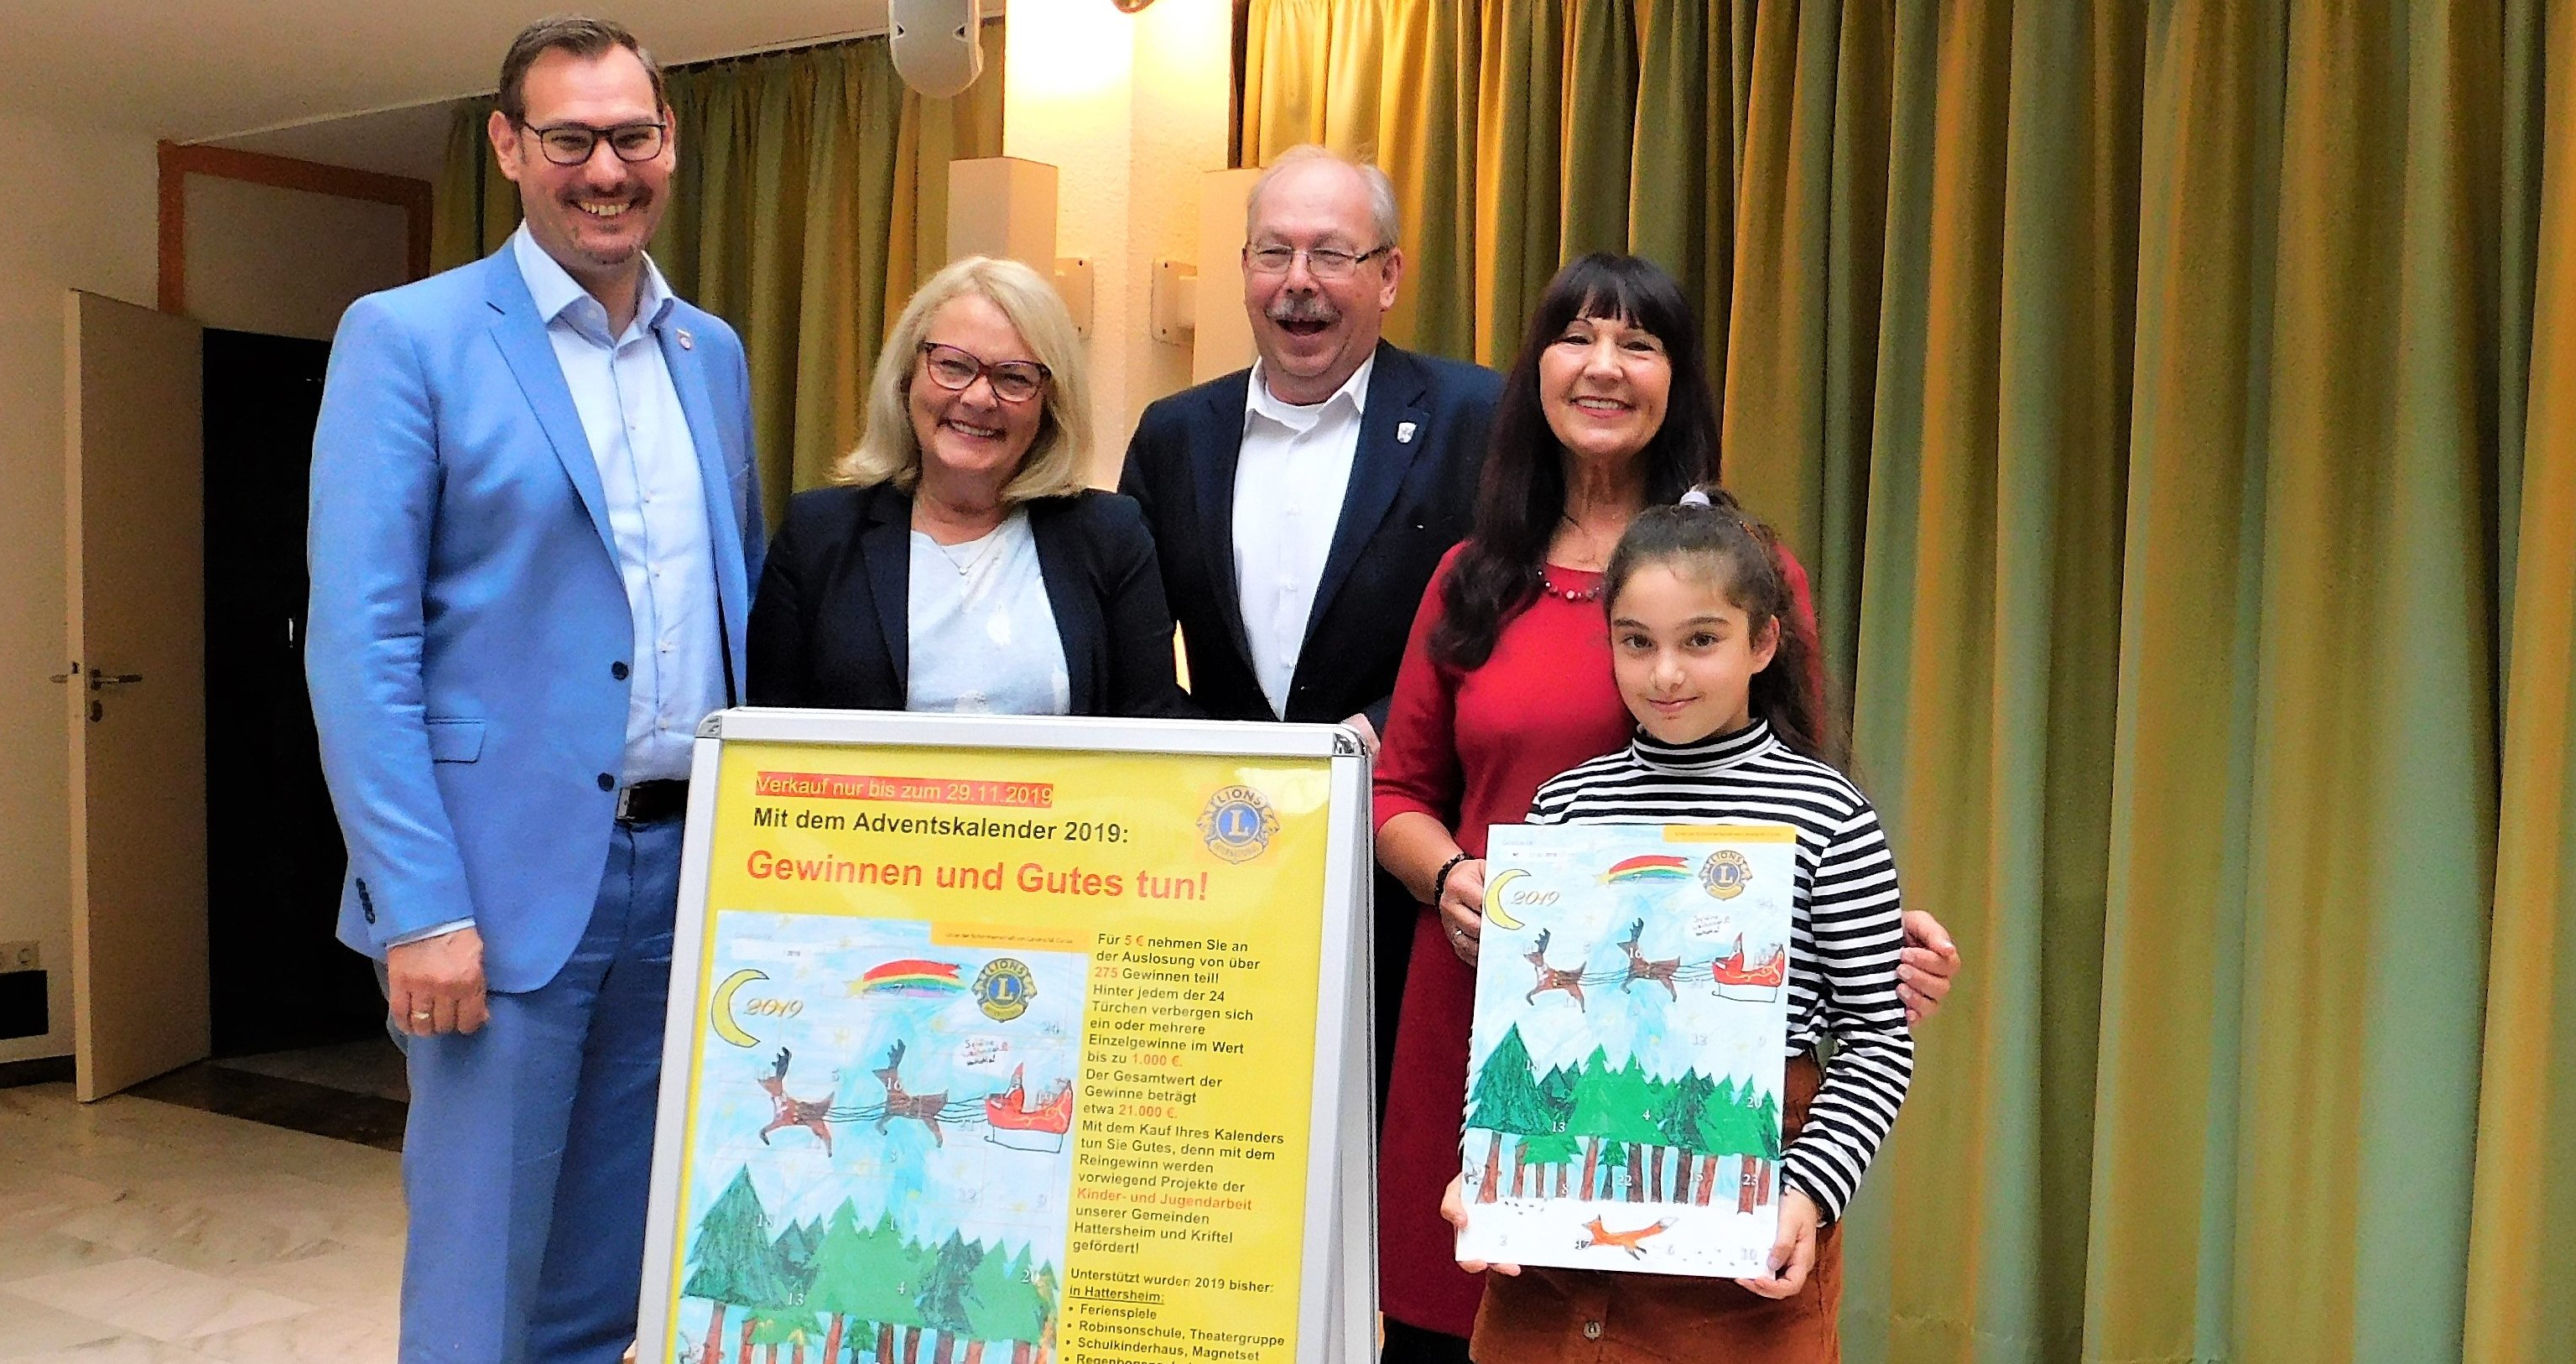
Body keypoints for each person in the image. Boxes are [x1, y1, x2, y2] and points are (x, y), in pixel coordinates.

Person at [1368, 252, 1957, 1362]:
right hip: (1509, 1031)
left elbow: (1800, 799)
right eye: (1577, 335)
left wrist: (1876, 944)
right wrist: (1454, 878)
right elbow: (1398, 786)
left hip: (1738, 1119)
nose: (1665, 671)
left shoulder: (1752, 570)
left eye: (1638, 342)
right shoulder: (1477, 581)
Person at [304, 16, 760, 1363]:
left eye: (632, 136)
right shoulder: (410, 337)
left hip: (686, 882)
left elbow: (727, 607)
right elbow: (360, 645)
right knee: (480, 1276)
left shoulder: (712, 354)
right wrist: (420, 904)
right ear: (510, 147)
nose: (604, 169)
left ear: (670, 146)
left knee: (614, 1270)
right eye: (570, 139)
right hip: (492, 899)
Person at [1439, 491, 1912, 1359]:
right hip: (1549, 1260)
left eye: (1700, 640)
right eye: (1636, 642)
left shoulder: (1826, 816)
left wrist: (1802, 1197)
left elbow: (1878, 1042)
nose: (1665, 674)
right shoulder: (1567, 806)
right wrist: (1486, 1170)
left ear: (1762, 642)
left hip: (1740, 1253)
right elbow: (1522, 1028)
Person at [1118, 144, 1502, 1101]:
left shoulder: (1476, 417)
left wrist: (1381, 729)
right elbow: (1126, 648)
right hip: (1220, 869)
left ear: (1388, 275)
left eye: (1331, 254)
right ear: (1242, 272)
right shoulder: (1174, 434)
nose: (1298, 283)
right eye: (1271, 253)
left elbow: (1502, 620)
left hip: (1408, 874)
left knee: (1386, 1166)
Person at [750, 256, 1187, 717]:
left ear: (1050, 404)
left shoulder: (1112, 538)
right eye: (954, 366)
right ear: (906, 378)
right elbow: (769, 746)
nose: (979, 398)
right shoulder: (816, 536)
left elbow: (1148, 740)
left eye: (1014, 377)